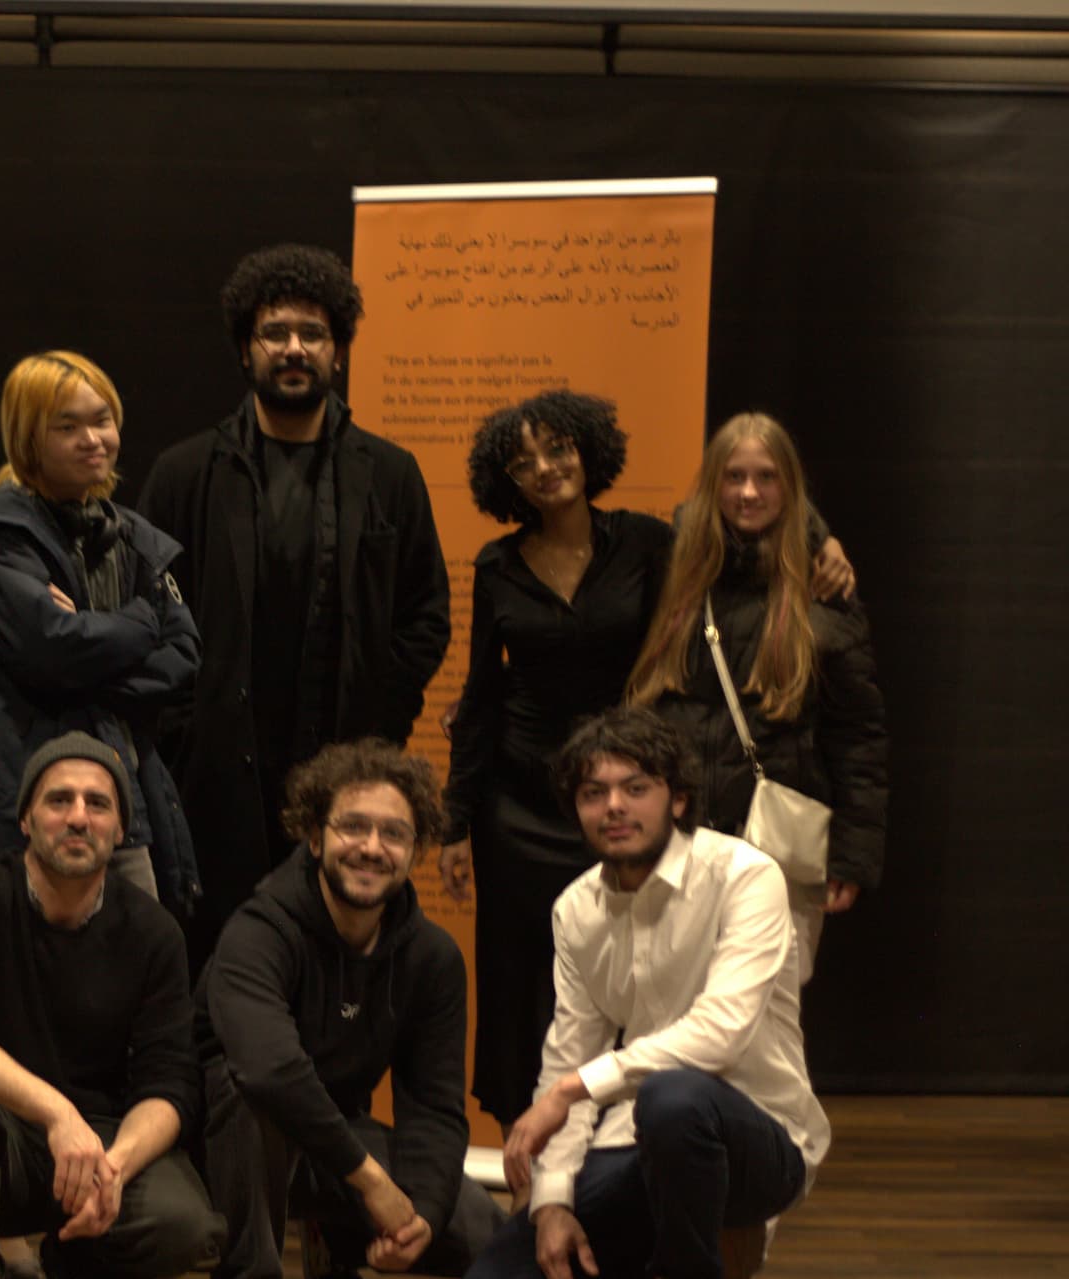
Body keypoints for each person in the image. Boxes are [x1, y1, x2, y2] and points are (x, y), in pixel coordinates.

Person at [438, 391, 855, 1130]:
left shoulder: (644, 540)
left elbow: (734, 513)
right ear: (505, 480)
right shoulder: (498, 564)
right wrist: (455, 823)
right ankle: (524, 1137)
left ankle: (615, 1143)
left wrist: (822, 539)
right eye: (521, 459)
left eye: (558, 447)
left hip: (616, 792)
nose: (543, 466)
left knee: (629, 972)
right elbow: (480, 694)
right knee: (517, 979)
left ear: (589, 451)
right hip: (520, 800)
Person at [139, 243, 450, 962]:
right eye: (275, 333)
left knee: (336, 960)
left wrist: (381, 721)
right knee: (214, 963)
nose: (293, 349)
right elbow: (146, 609)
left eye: (312, 333)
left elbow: (425, 613)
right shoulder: (185, 473)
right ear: (246, 349)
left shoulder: (389, 474)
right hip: (215, 779)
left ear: (338, 350)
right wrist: (184, 730)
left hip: (345, 765)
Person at [467, 707, 830, 1279]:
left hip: (761, 1141)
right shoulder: (577, 909)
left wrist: (572, 1088)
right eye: (594, 792)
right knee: (501, 1271)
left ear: (677, 800)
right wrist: (555, 1198)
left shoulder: (745, 876)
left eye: (635, 788)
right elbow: (569, 1053)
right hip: (638, 1142)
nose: (613, 806)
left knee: (675, 1097)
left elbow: (721, 1034)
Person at [0, 732, 228, 1279]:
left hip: (103, 1139)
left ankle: (75, 1257)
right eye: (59, 800)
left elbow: (170, 1083)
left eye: (98, 804)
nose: (78, 817)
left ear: (121, 829)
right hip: (0, 1133)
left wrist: (115, 1167)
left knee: (184, 1223)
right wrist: (57, 1113)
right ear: (25, 819)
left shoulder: (154, 930)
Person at [197, 739, 503, 1279]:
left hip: (332, 1138)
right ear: (315, 838)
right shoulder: (259, 931)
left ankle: (344, 1246)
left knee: (484, 1233)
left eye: (394, 833)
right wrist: (371, 1181)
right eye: (352, 827)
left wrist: (422, 1218)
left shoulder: (432, 958)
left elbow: (435, 1108)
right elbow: (268, 1069)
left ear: (415, 849)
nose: (371, 847)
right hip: (226, 1147)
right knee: (247, 1092)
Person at [627, 412, 887, 983]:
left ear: (789, 487)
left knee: (767, 1026)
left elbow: (858, 739)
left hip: (777, 855)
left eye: (766, 477)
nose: (748, 492)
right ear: (713, 484)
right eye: (733, 476)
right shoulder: (676, 579)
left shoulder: (823, 592)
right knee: (669, 1018)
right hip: (678, 844)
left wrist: (851, 855)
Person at [0, 351, 201, 914]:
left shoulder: (135, 536)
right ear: (28, 439)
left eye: (102, 420)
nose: (93, 439)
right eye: (67, 426)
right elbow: (54, 648)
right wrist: (141, 620)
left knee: (137, 965)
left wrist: (88, 662)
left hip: (126, 800)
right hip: (29, 802)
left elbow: (184, 656)